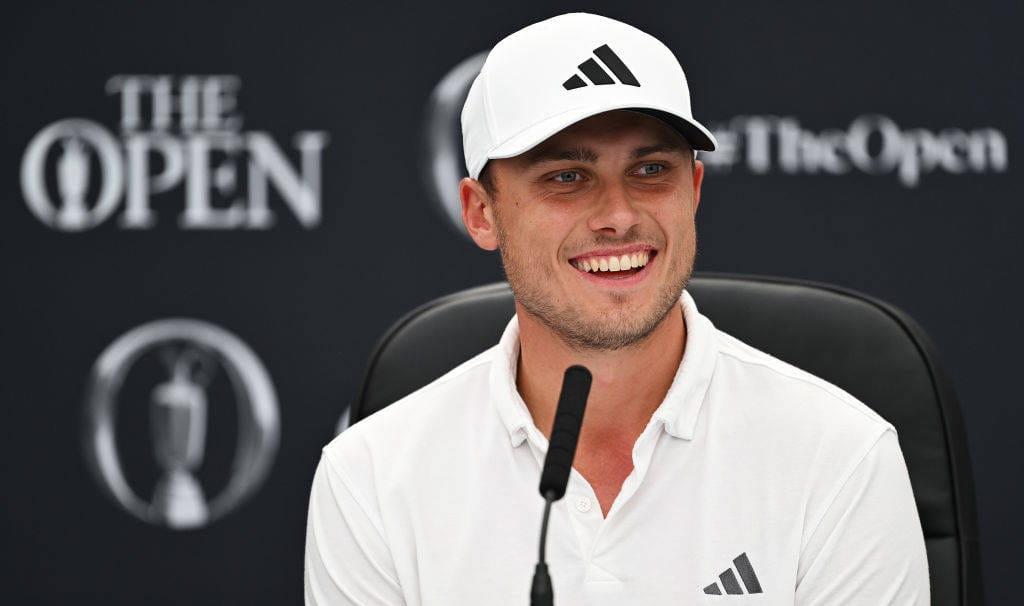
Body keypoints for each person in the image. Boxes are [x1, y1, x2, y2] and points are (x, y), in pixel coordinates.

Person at [304, 12, 929, 605]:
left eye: (651, 169)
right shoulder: (371, 479)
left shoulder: (840, 456)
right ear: (481, 213)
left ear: (695, 191)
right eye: (566, 178)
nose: (619, 215)